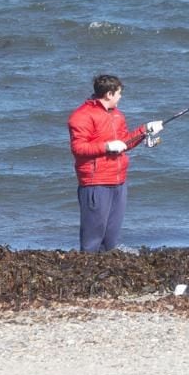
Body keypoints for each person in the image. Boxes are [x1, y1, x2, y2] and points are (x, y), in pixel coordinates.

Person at [67, 74, 163, 252]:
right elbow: (78, 148)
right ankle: (86, 270)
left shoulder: (117, 115)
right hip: (95, 183)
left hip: (119, 181)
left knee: (110, 238)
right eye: (119, 93)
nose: (120, 97)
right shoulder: (81, 116)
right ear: (109, 94)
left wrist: (144, 131)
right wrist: (106, 146)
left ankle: (104, 271)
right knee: (92, 238)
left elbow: (124, 142)